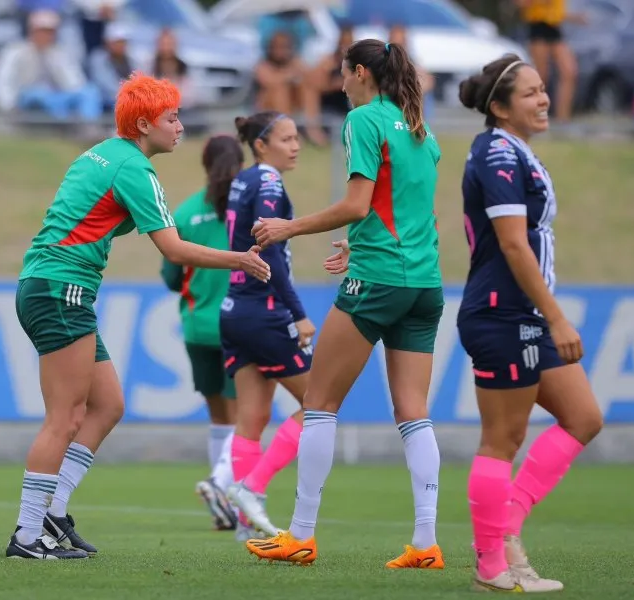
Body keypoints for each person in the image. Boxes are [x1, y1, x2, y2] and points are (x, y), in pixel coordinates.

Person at [5, 72, 271, 560]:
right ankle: (27, 535)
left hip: (55, 287)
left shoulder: (104, 153)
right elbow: (171, 249)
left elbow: (94, 218)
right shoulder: (134, 170)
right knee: (63, 419)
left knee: (107, 406)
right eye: (172, 118)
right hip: (60, 289)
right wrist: (240, 258)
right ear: (146, 123)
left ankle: (52, 513)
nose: (180, 126)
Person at [247, 39, 445, 569]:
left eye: (342, 74)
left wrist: (291, 226)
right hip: (424, 283)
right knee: (413, 413)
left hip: (378, 282)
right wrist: (360, 240)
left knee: (318, 401)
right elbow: (411, 212)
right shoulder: (421, 131)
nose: (338, 84)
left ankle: (301, 534)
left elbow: (358, 203)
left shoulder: (364, 120)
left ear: (361, 73)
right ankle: (426, 542)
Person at [456, 54, 603, 591]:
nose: (543, 99)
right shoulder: (496, 151)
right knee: (501, 439)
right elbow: (514, 244)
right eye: (530, 93)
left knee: (583, 417)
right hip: (503, 313)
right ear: (499, 106)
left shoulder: (515, 150)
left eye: (544, 90)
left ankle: (506, 528)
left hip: (523, 315)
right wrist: (557, 318)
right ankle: (492, 564)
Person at [220, 111, 316, 542]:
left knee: (252, 419)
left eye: (297, 138)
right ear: (261, 144)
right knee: (319, 405)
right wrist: (297, 311)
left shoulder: (243, 179)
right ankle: (252, 488)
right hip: (265, 310)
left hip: (235, 310)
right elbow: (269, 250)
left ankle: (246, 525)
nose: (295, 145)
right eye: (287, 138)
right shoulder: (270, 181)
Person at [160, 135, 247, 532]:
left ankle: (220, 501)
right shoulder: (248, 211)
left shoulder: (187, 211)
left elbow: (171, 276)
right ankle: (230, 496)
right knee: (246, 420)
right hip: (240, 326)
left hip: (198, 326)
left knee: (219, 418)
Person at [515, 0, 583, 124]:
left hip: (555, 28)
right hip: (538, 26)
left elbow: (557, 11)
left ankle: (563, 119)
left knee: (569, 72)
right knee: (541, 77)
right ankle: (532, 116)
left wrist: (575, 17)